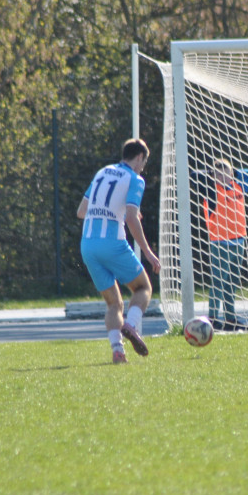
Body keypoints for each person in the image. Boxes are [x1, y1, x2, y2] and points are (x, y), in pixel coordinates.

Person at [76, 138, 161, 364]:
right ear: (139, 157)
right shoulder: (135, 179)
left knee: (114, 303)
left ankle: (117, 351)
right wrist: (148, 252)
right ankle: (130, 326)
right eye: (144, 163)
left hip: (88, 245)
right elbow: (132, 218)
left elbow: (81, 211)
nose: (142, 168)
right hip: (112, 243)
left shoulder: (102, 173)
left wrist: (114, 210)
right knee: (143, 287)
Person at [199, 158, 248, 331]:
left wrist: (234, 172)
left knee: (231, 283)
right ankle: (212, 319)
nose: (222, 176)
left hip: (239, 241)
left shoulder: (238, 186)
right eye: (218, 174)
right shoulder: (212, 190)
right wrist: (211, 174)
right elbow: (194, 175)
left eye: (226, 172)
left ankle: (230, 319)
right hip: (220, 243)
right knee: (218, 282)